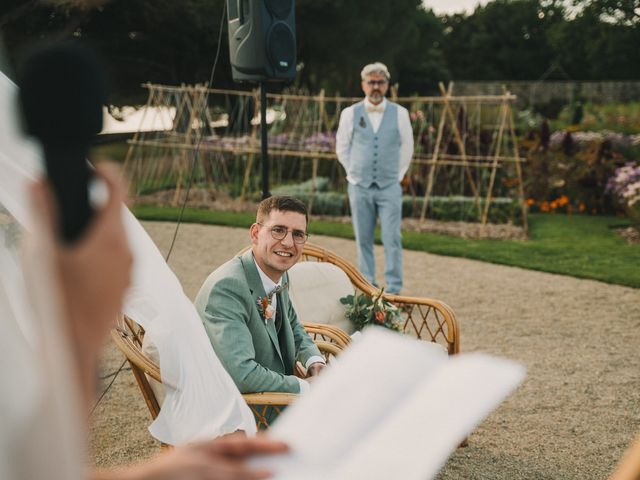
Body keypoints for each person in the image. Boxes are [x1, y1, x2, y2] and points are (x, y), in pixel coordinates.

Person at [195, 196, 326, 399]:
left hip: (273, 398)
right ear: (255, 233)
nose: (289, 243)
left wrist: (314, 361)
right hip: (244, 410)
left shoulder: (279, 273)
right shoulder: (227, 288)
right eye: (278, 230)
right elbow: (243, 375)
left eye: (298, 234)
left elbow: (293, 325)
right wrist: (306, 387)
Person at [335, 62, 414, 295]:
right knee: (363, 239)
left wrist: (397, 176)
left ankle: (394, 288)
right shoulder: (350, 113)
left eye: (380, 82)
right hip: (359, 185)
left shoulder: (400, 113)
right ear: (363, 85)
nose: (376, 87)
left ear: (387, 85)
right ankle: (368, 286)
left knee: (392, 238)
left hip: (389, 186)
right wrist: (353, 172)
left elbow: (407, 147)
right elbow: (342, 147)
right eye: (371, 82)